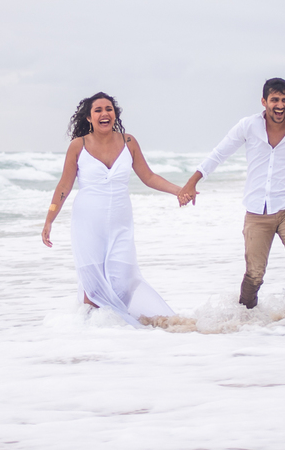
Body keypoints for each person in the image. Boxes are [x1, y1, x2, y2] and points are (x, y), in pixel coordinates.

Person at [179, 78, 285, 318]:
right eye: (275, 100)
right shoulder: (248, 126)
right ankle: (245, 322)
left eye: (284, 100)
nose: (280, 106)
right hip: (257, 211)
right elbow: (219, 153)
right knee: (254, 274)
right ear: (264, 101)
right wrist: (191, 182)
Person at [42, 92, 189, 327]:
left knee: (123, 279)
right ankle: (90, 330)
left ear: (115, 114)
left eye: (108, 109)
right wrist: (50, 219)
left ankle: (115, 325)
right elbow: (64, 186)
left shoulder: (128, 142)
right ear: (89, 118)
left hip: (120, 222)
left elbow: (148, 176)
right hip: (87, 223)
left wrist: (178, 190)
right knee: (93, 282)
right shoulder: (78, 146)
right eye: (98, 110)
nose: (104, 114)